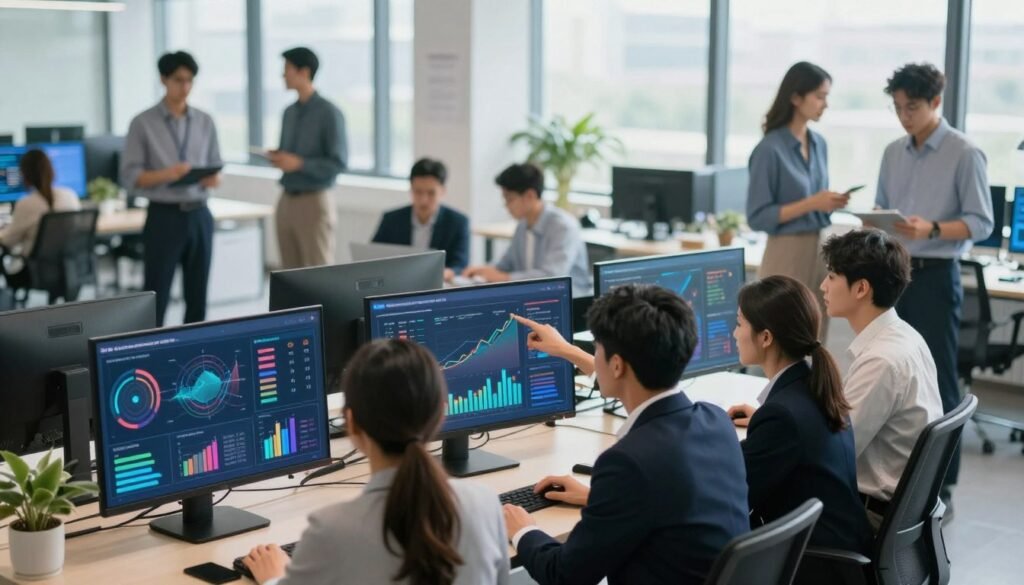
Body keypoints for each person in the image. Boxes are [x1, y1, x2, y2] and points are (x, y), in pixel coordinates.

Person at [505, 285, 749, 585]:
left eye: (598, 349)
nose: (596, 357)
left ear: (617, 365)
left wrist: (523, 530)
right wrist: (599, 498)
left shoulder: (628, 462)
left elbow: (564, 575)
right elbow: (669, 502)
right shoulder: (716, 421)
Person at [243, 339, 509, 585]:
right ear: (441, 413)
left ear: (351, 423)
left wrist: (274, 579)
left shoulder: (331, 530)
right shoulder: (484, 503)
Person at [875, 62, 992, 509]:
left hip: (936, 277)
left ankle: (941, 484)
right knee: (893, 374)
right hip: (893, 271)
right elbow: (886, 208)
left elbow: (982, 222)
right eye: (898, 108)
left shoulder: (964, 153)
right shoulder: (892, 152)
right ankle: (895, 474)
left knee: (938, 380)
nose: (905, 116)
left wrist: (936, 229)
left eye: (914, 107)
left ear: (936, 103)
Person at [726, 276, 871, 574]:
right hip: (842, 549)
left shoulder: (782, 415)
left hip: (818, 567)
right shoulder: (814, 387)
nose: (734, 333)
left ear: (766, 338)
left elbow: (735, 495)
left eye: (740, 324)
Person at [819, 229, 942, 529]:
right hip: (903, 511)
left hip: (870, 516)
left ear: (861, 289)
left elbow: (834, 453)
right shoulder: (905, 337)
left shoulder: (881, 361)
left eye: (832, 276)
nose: (823, 286)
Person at [121, 51, 222, 326]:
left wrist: (212, 179)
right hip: (164, 216)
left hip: (200, 214)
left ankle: (197, 357)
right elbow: (130, 176)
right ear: (164, 79)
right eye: (179, 80)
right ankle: (152, 357)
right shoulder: (142, 123)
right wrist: (170, 173)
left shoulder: (205, 121)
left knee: (198, 296)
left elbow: (215, 167)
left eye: (190, 80)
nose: (185, 87)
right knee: (156, 296)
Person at [747, 61, 847, 337]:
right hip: (786, 251)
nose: (824, 104)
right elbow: (757, 216)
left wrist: (828, 202)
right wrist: (812, 202)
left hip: (820, 248)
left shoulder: (819, 144)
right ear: (795, 97)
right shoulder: (769, 149)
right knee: (780, 333)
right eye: (819, 96)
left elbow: (816, 201)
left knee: (814, 333)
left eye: (827, 97)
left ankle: (813, 383)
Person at [271, 46, 348, 269]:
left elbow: (338, 162)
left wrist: (300, 164)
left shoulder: (329, 113)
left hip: (313, 201)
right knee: (289, 273)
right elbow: (289, 153)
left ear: (304, 72)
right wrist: (279, 157)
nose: (283, 75)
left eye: (287, 69)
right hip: (286, 199)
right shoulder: (289, 112)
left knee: (317, 272)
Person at [463, 163, 592, 297]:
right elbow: (507, 262)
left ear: (530, 196)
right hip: (536, 296)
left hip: (569, 300)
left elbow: (552, 276)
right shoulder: (523, 224)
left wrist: (504, 278)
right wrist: (483, 270)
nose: (506, 205)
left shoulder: (563, 227)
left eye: (509, 199)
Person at [372, 157, 470, 278]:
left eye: (431, 193)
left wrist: (445, 273)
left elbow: (460, 265)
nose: (424, 200)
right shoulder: (391, 219)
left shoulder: (458, 223)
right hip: (398, 282)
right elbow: (372, 256)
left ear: (443, 191)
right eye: (418, 192)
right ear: (411, 189)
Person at [0, 149, 82, 288]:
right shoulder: (70, 196)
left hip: (34, 273)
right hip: (69, 270)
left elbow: (8, 241)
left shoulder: (26, 204)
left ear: (25, 174)